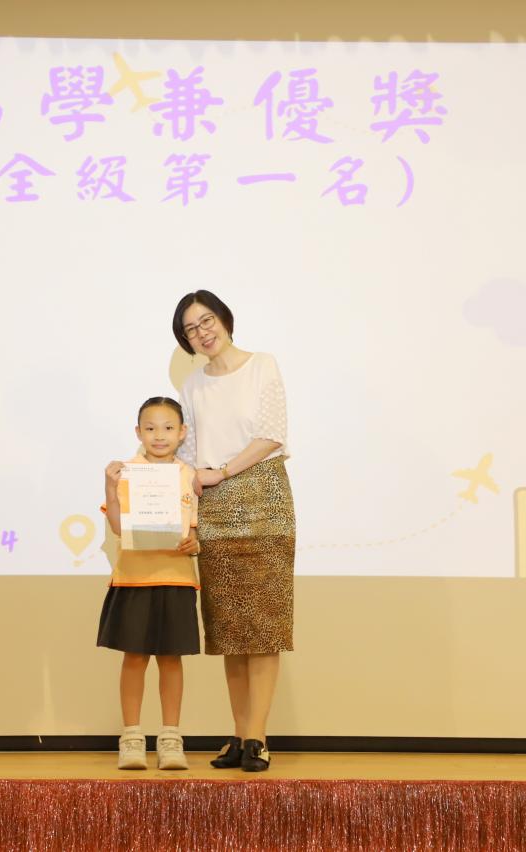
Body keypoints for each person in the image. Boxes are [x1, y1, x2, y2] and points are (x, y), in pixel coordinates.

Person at [172, 290, 294, 773]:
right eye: (191, 329)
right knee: (229, 629)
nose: (202, 332)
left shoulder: (263, 364)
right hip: (214, 506)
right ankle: (240, 734)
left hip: (264, 497)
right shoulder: (193, 385)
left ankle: (258, 737)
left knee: (262, 628)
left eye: (207, 320)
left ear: (224, 318)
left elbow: (272, 435)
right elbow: (187, 457)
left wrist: (222, 472)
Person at [98, 397, 201, 770]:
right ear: (138, 432)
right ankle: (131, 738)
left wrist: (195, 542)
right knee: (135, 657)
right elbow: (117, 526)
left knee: (171, 658)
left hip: (177, 579)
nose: (160, 435)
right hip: (134, 579)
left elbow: (194, 529)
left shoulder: (191, 475)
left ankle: (171, 738)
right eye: (151, 428)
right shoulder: (126, 473)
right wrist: (109, 487)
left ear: (182, 432)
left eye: (168, 428)